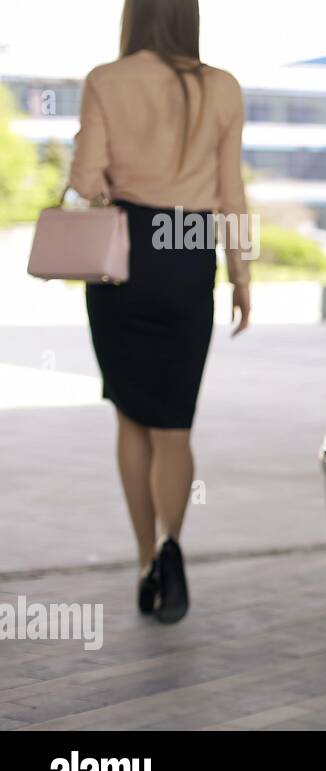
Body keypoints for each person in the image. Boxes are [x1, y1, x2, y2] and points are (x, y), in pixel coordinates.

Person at [69, 0, 252, 624]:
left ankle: (146, 560)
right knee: (175, 423)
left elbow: (85, 180)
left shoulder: (105, 80)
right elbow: (233, 192)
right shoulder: (223, 87)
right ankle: (175, 548)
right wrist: (243, 274)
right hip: (191, 253)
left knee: (130, 418)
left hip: (125, 255)